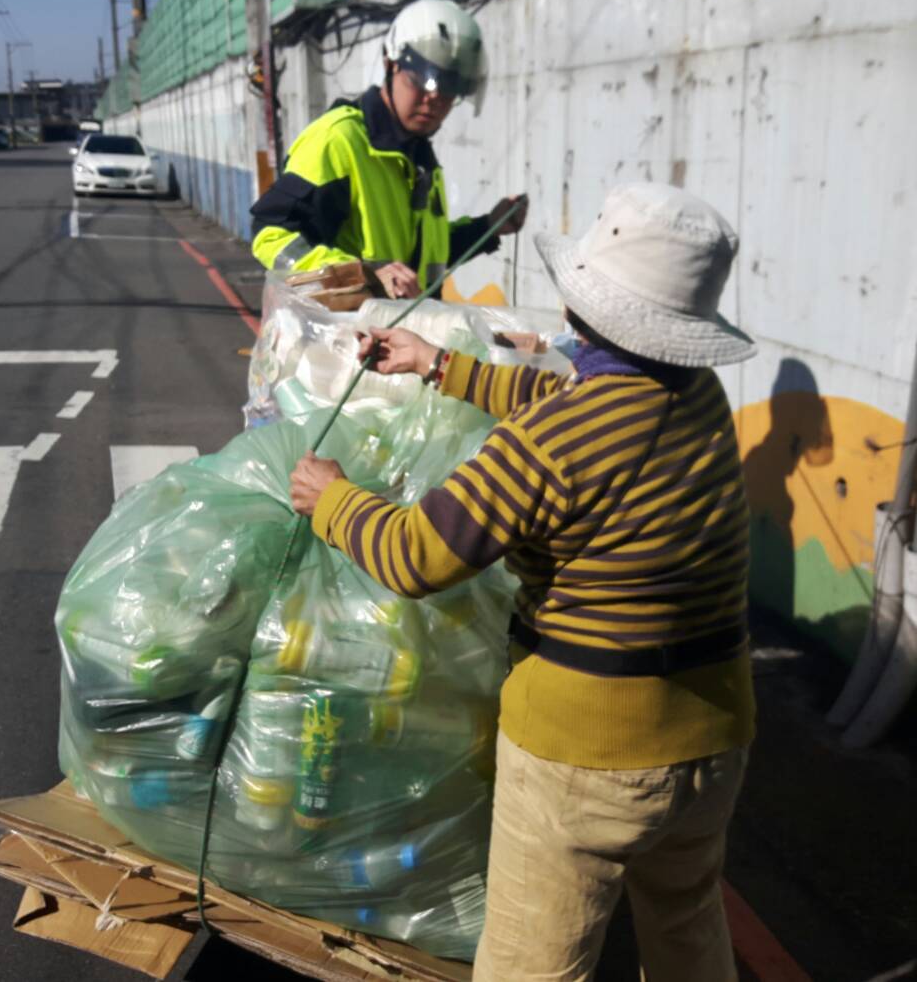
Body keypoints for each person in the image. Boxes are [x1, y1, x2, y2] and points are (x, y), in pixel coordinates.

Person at [288, 182, 759, 982]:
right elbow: (578, 404)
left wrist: (330, 499)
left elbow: (414, 557)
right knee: (684, 924)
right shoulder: (697, 397)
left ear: (584, 312)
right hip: (713, 739)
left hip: (587, 756)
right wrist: (442, 366)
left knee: (531, 962)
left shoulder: (551, 444)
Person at [250, 0, 527, 299]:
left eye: (449, 91)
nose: (432, 102)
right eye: (419, 83)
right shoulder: (340, 141)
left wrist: (488, 226)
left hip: (408, 335)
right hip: (351, 339)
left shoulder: (417, 155)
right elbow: (271, 233)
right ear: (389, 64)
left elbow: (424, 256)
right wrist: (359, 276)